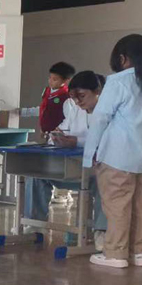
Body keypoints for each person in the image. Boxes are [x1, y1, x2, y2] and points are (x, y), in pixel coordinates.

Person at [85, 34, 142, 269]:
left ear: (123, 58)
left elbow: (100, 118)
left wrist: (90, 152)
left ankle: (115, 254)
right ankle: (139, 252)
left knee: (117, 205)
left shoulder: (118, 81)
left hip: (118, 156)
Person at [25, 71, 109, 248]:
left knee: (105, 182)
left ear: (97, 91)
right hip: (73, 168)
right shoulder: (75, 110)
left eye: (82, 96)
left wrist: (76, 141)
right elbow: (64, 128)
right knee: (36, 174)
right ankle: (35, 226)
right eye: (74, 97)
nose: (78, 101)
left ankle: (102, 232)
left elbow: (106, 140)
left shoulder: (109, 111)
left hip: (96, 170)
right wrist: (57, 137)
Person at [20, 62, 76, 136]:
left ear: (65, 80)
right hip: (47, 134)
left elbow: (69, 118)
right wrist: (24, 112)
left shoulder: (66, 97)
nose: (50, 81)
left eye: (54, 79)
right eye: (50, 77)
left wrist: (58, 130)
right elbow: (44, 109)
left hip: (59, 135)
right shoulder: (47, 92)